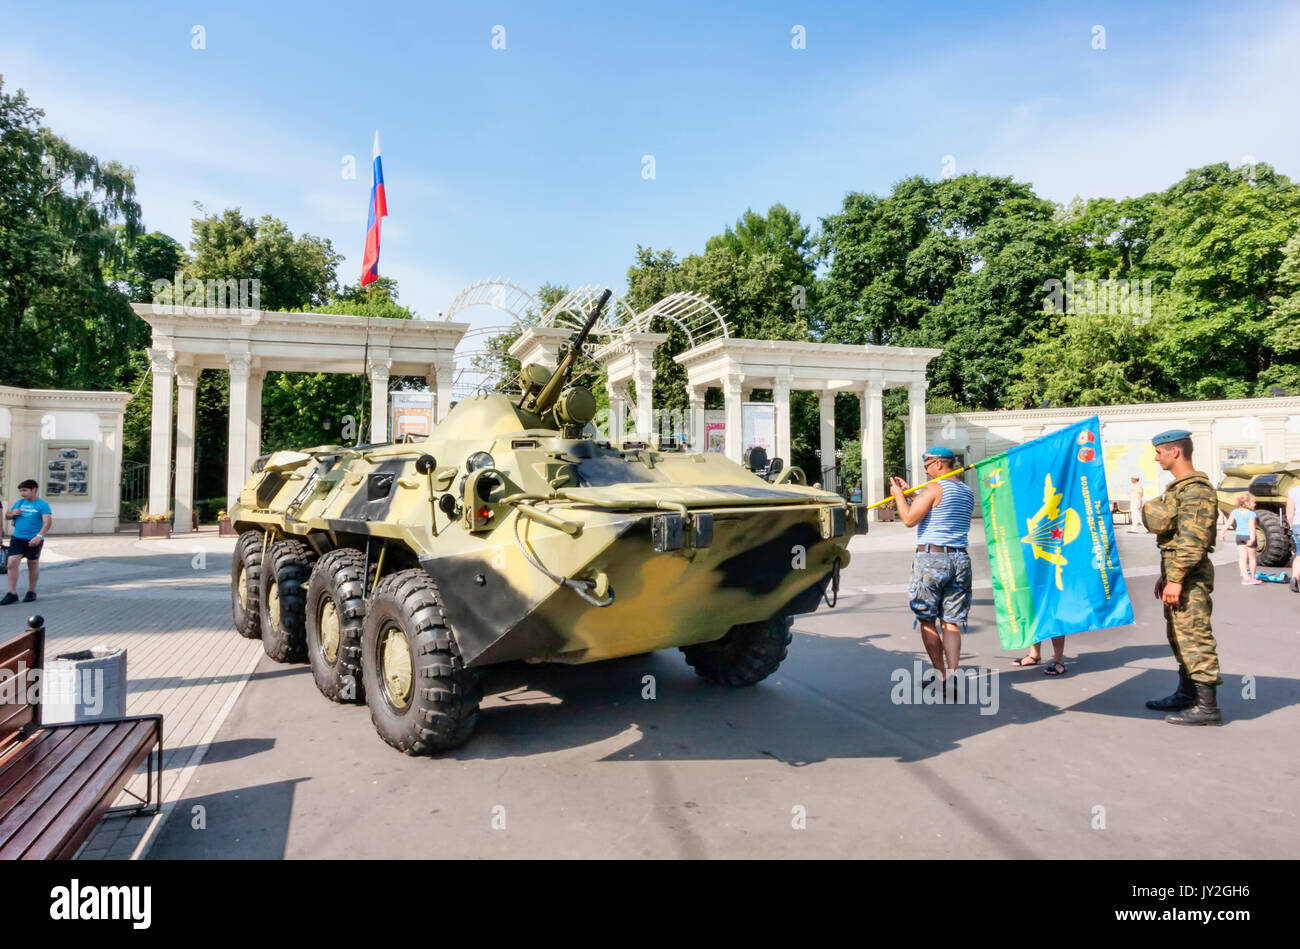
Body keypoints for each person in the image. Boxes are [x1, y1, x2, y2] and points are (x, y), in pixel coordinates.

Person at [1141, 430, 1222, 725]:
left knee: (1195, 636)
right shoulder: (1180, 489)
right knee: (1179, 636)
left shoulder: (1196, 490)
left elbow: (1192, 540)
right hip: (1178, 573)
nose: (1156, 456)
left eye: (1160, 451)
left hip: (1189, 578)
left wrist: (1175, 579)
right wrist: (1168, 577)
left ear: (1175, 451)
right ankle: (1187, 694)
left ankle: (1208, 707)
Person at [890, 447, 975, 699]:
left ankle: (940, 676)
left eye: (926, 464)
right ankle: (954, 675)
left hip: (932, 559)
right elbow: (939, 508)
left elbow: (908, 519)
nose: (925, 469)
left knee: (927, 619)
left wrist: (897, 495)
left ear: (938, 464)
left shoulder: (933, 489)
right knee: (950, 621)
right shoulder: (966, 491)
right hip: (960, 558)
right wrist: (913, 493)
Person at [3, 479, 52, 605]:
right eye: (21, 491)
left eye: (25, 490)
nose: (22, 493)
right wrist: (12, 513)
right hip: (17, 537)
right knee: (11, 563)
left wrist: (39, 536)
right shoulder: (19, 503)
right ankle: (12, 593)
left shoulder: (42, 505)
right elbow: (7, 516)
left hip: (34, 539)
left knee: (33, 564)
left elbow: (47, 522)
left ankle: (31, 591)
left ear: (33, 490)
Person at [1226, 494, 1262, 585]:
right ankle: (1252, 578)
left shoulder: (1235, 512)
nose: (1255, 504)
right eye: (1253, 502)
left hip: (1239, 536)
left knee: (1242, 557)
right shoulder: (1251, 514)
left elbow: (1229, 522)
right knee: (1252, 558)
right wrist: (1253, 538)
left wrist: (1222, 531)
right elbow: (1251, 527)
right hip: (1248, 536)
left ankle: (1245, 577)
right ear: (1247, 503)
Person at [1288, 478, 1300, 594]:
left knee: (1299, 554)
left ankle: (1294, 577)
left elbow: (1290, 513)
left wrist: (1292, 526)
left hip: (1298, 525)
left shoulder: (1293, 491)